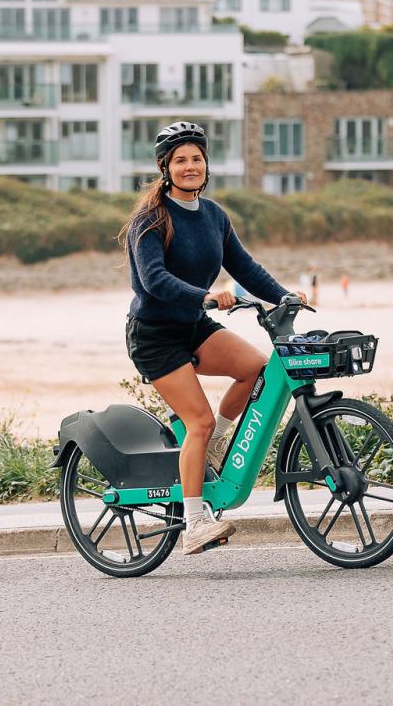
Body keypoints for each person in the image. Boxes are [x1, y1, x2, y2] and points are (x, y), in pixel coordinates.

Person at [120, 121, 306, 555]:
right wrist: (203, 295)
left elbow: (244, 266)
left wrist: (283, 295)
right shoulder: (150, 220)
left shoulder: (214, 216)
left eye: (196, 159)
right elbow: (153, 281)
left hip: (193, 325)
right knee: (197, 420)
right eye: (180, 160)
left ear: (206, 165)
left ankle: (217, 443)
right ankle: (194, 521)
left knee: (257, 369)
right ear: (165, 167)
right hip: (155, 334)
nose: (190, 166)